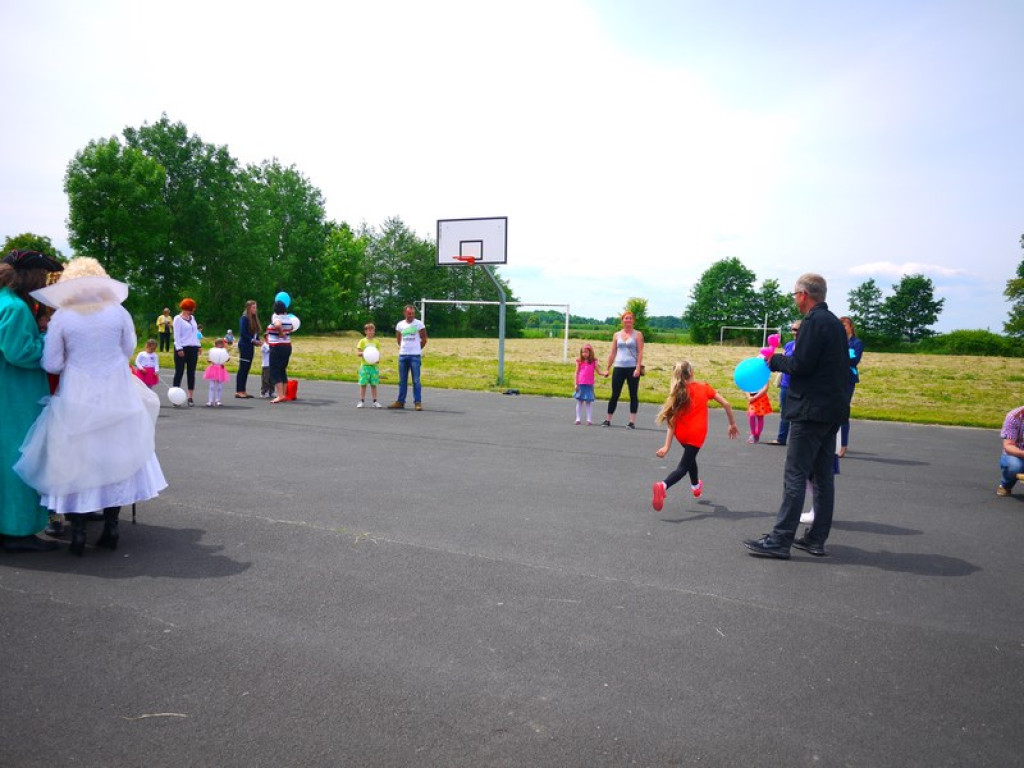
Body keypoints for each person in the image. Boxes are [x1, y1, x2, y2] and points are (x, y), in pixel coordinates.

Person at [14, 257, 166, 556]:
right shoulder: (118, 312)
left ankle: (80, 531)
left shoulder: (63, 317)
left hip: (78, 395)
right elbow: (127, 349)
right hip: (117, 393)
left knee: (78, 459)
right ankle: (111, 526)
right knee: (116, 455)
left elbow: (52, 364)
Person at [743, 273, 849, 559]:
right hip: (831, 410)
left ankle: (780, 540)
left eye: (794, 294)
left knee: (796, 475)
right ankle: (815, 538)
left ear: (803, 294)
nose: (794, 299)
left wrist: (772, 359)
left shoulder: (814, 322)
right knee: (823, 477)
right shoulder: (836, 325)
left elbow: (801, 365)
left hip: (810, 410)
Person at [0, 250, 63, 552]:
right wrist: (47, 337)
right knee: (22, 457)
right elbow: (20, 352)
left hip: (7, 390)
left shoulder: (5, 300)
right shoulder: (16, 307)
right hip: (15, 393)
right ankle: (18, 530)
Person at [651, 360, 739, 511]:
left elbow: (672, 420)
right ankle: (663, 485)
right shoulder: (704, 388)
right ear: (691, 373)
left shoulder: (679, 392)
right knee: (683, 467)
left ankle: (696, 486)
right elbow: (727, 404)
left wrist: (667, 446)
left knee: (690, 457)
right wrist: (732, 424)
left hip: (681, 434)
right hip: (696, 434)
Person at [602, 311, 644, 429]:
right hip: (619, 367)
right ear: (622, 321)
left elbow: (640, 352)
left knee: (633, 394)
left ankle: (631, 421)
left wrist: (637, 368)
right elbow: (613, 352)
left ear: (633, 321)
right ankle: (608, 419)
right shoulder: (617, 335)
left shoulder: (637, 334)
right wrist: (607, 368)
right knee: (615, 394)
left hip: (632, 367)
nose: (628, 320)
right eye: (626, 318)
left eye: (630, 318)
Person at [388, 304, 428, 410]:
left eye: (412, 313)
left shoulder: (419, 324)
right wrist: (404, 348)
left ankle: (417, 402)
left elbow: (424, 339)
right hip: (403, 355)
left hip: (415, 356)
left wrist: (417, 349)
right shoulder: (400, 325)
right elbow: (398, 339)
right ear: (404, 313)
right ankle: (400, 401)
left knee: (416, 380)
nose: (410, 315)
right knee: (402, 380)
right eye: (409, 313)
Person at [767, 321, 800, 446]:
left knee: (798, 414)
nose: (794, 332)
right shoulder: (789, 345)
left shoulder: (807, 346)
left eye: (796, 329)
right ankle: (781, 438)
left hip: (798, 385)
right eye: (793, 329)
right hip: (786, 383)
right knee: (785, 412)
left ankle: (796, 440)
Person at [838, 316, 864, 457]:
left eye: (845, 325)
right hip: (834, 379)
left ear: (851, 327)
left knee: (843, 412)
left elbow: (854, 360)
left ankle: (843, 445)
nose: (843, 328)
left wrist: (838, 357)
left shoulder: (856, 343)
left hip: (848, 380)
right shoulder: (836, 341)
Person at [172, 298, 201, 406]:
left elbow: (195, 332)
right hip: (182, 347)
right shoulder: (177, 319)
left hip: (192, 347)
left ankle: (190, 397)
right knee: (179, 372)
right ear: (185, 308)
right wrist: (179, 348)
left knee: (191, 372)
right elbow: (176, 335)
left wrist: (198, 345)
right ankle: (175, 396)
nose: (192, 311)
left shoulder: (192, 318)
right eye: (190, 309)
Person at [267, 298, 296, 404]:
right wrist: (286, 333)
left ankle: (280, 395)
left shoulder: (277, 318)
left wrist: (281, 332)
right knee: (282, 370)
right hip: (287, 346)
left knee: (274, 370)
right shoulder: (288, 318)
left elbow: (278, 324)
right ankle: (283, 393)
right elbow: (292, 327)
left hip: (277, 346)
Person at [573, 343, 605, 425]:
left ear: (590, 352)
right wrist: (575, 384)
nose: (584, 354)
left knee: (588, 402)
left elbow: (598, 371)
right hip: (581, 384)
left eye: (586, 352)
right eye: (583, 352)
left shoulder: (594, 361)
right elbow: (576, 373)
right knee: (580, 401)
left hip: (589, 384)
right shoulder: (579, 361)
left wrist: (603, 373)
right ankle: (578, 418)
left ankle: (589, 419)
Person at [234, 299, 261, 398]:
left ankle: (243, 390)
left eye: (256, 307)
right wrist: (252, 341)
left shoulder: (254, 319)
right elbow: (243, 333)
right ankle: (239, 390)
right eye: (253, 307)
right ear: (248, 308)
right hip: (244, 345)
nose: (255, 309)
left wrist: (257, 340)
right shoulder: (244, 318)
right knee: (243, 367)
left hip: (250, 346)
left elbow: (254, 333)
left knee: (247, 368)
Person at [996, 405, 1024, 496]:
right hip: (1016, 455)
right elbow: (1009, 446)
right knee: (1014, 466)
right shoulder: (1013, 417)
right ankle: (1005, 486)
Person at [356, 322, 382, 408]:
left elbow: (377, 353)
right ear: (365, 331)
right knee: (363, 384)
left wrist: (377, 359)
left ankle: (375, 401)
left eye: (372, 330)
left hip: (374, 366)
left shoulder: (376, 342)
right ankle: (361, 401)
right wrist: (365, 353)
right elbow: (358, 353)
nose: (371, 332)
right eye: (369, 330)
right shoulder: (362, 341)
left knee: (374, 385)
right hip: (365, 366)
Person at [203, 338, 229, 406]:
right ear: (216, 345)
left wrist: (227, 359)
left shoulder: (224, 351)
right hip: (213, 369)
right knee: (211, 386)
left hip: (220, 369)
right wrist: (210, 360)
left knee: (219, 386)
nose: (220, 345)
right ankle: (210, 400)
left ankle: (218, 400)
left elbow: (225, 359)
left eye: (221, 344)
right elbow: (210, 359)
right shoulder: (213, 351)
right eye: (219, 344)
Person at [260, 333, 272, 398]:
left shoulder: (271, 345)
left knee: (272, 379)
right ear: (265, 338)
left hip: (272, 364)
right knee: (265, 379)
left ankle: (271, 391)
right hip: (266, 364)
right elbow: (270, 350)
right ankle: (264, 392)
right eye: (268, 337)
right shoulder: (264, 345)